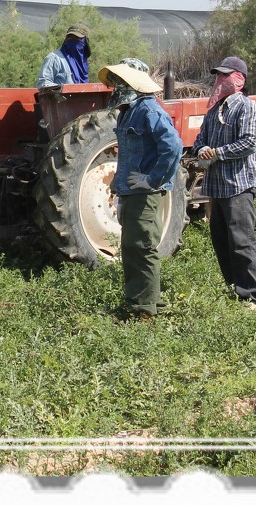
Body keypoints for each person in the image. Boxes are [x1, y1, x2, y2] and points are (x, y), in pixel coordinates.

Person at [100, 58, 183, 320]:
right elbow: (127, 155)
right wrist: (118, 186)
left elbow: (173, 147)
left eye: (120, 80)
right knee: (132, 246)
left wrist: (153, 179)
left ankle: (145, 310)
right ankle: (140, 302)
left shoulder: (150, 111)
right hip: (131, 191)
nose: (115, 85)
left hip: (145, 194)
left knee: (143, 246)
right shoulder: (128, 111)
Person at [193, 56, 256, 309]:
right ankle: (234, 289)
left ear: (239, 79)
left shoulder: (246, 107)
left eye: (226, 75)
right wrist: (201, 150)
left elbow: (249, 143)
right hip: (216, 187)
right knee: (221, 240)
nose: (220, 80)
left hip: (238, 186)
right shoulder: (214, 110)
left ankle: (251, 296)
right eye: (218, 76)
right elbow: (201, 138)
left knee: (241, 241)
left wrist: (217, 153)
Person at [36, 24, 91, 88]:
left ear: (85, 41)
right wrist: (64, 89)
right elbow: (43, 83)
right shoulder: (54, 58)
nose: (73, 40)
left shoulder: (83, 63)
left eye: (77, 38)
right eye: (70, 37)